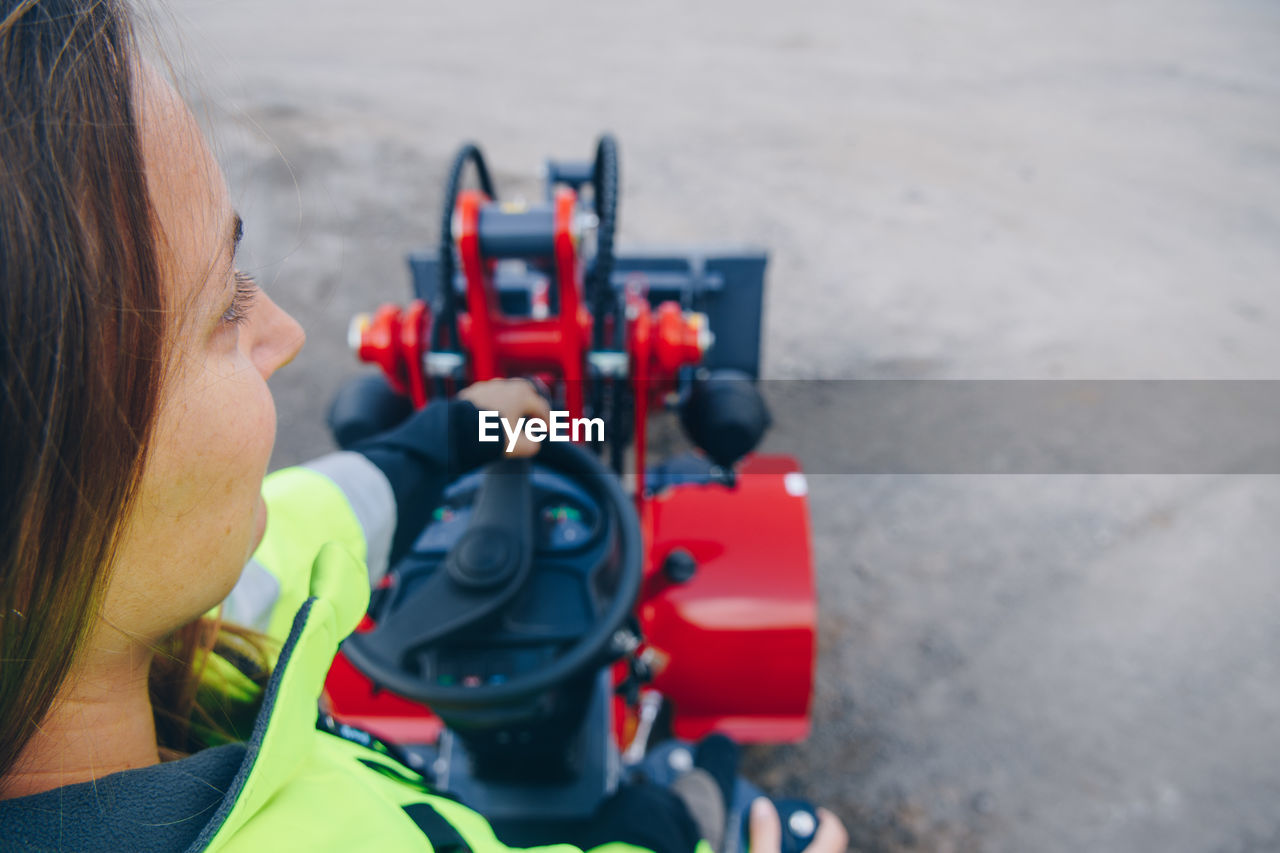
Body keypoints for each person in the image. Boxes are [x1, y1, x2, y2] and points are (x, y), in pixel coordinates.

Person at [0, 1, 850, 851]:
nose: (286, 334)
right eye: (223, 309)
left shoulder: (124, 618)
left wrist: (439, 443)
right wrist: (670, 826)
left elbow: (285, 543)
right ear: (37, 510)